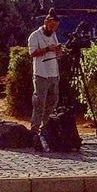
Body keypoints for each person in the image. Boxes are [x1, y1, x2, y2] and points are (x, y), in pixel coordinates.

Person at [28, 9, 62, 140]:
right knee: (39, 102)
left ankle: (46, 127)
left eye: (55, 27)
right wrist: (48, 49)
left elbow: (57, 54)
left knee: (53, 101)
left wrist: (58, 50)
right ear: (46, 22)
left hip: (53, 72)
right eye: (51, 26)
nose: (53, 29)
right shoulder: (35, 36)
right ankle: (34, 129)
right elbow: (32, 53)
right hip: (41, 73)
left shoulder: (53, 35)